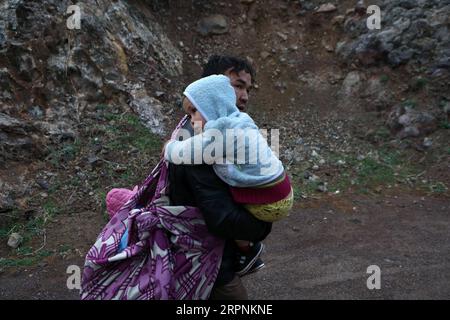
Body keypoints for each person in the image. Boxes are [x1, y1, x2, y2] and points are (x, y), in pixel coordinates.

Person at [106, 55, 270, 299]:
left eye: (248, 88)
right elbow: (220, 217)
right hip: (206, 265)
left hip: (202, 257)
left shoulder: (206, 131)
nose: (245, 96)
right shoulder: (199, 143)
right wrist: (262, 224)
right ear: (210, 86)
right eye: (237, 86)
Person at [164, 74, 294, 276]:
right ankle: (247, 251)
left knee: (231, 210)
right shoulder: (241, 121)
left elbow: (186, 152)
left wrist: (169, 147)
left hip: (268, 201)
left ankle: (248, 250)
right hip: (279, 191)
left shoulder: (223, 132)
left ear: (212, 105)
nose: (191, 119)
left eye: (194, 111)